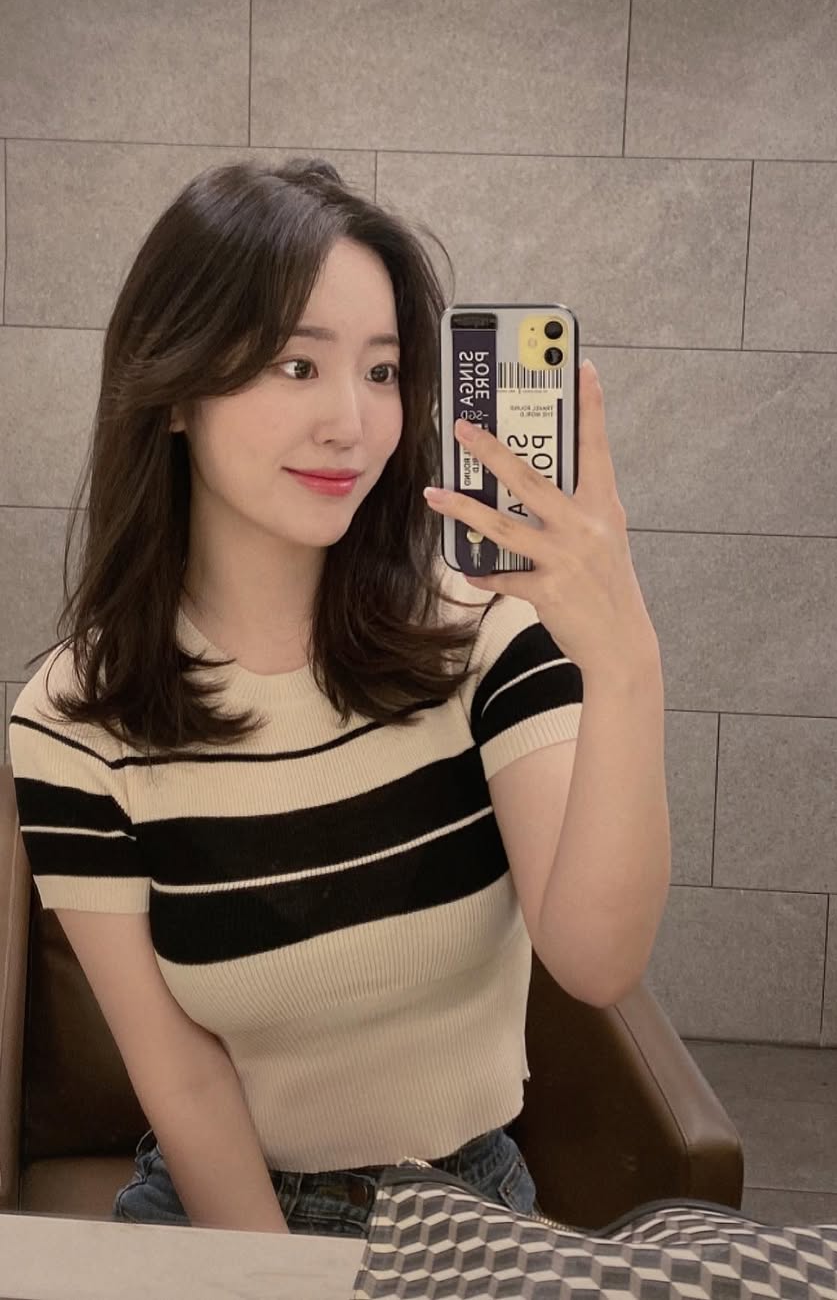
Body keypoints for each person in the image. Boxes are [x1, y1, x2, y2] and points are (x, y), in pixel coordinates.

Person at [6, 157, 670, 1238]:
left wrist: (625, 658)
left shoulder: (485, 635)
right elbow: (183, 1082)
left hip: (465, 1208)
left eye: (382, 371)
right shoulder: (76, 720)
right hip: (218, 1215)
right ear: (172, 391)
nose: (352, 424)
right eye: (296, 365)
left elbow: (598, 960)